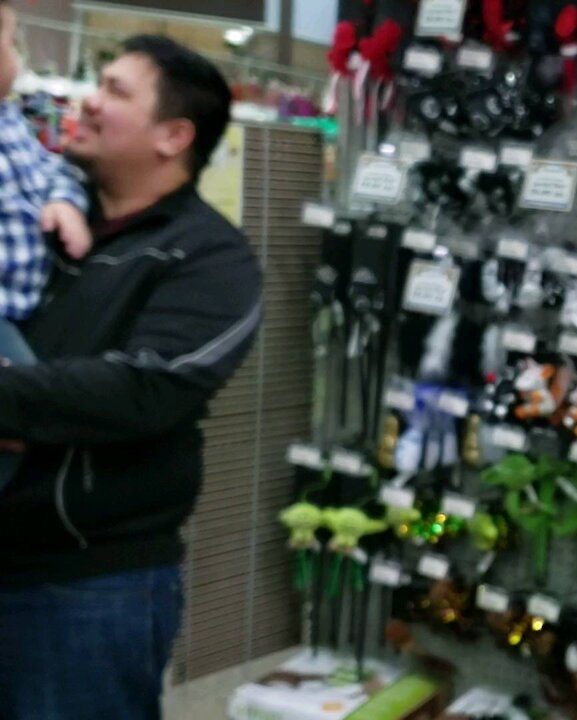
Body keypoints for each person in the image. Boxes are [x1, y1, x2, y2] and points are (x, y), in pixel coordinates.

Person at [0, 34, 262, 720]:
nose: (86, 101)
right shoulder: (34, 209)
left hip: (86, 584)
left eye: (114, 90)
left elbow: (140, 391)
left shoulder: (211, 258)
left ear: (174, 135)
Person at [0, 0, 93, 489]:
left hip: (21, 308)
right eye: (12, 42)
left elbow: (53, 168)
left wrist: (64, 202)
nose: (18, 56)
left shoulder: (12, 122)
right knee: (25, 405)